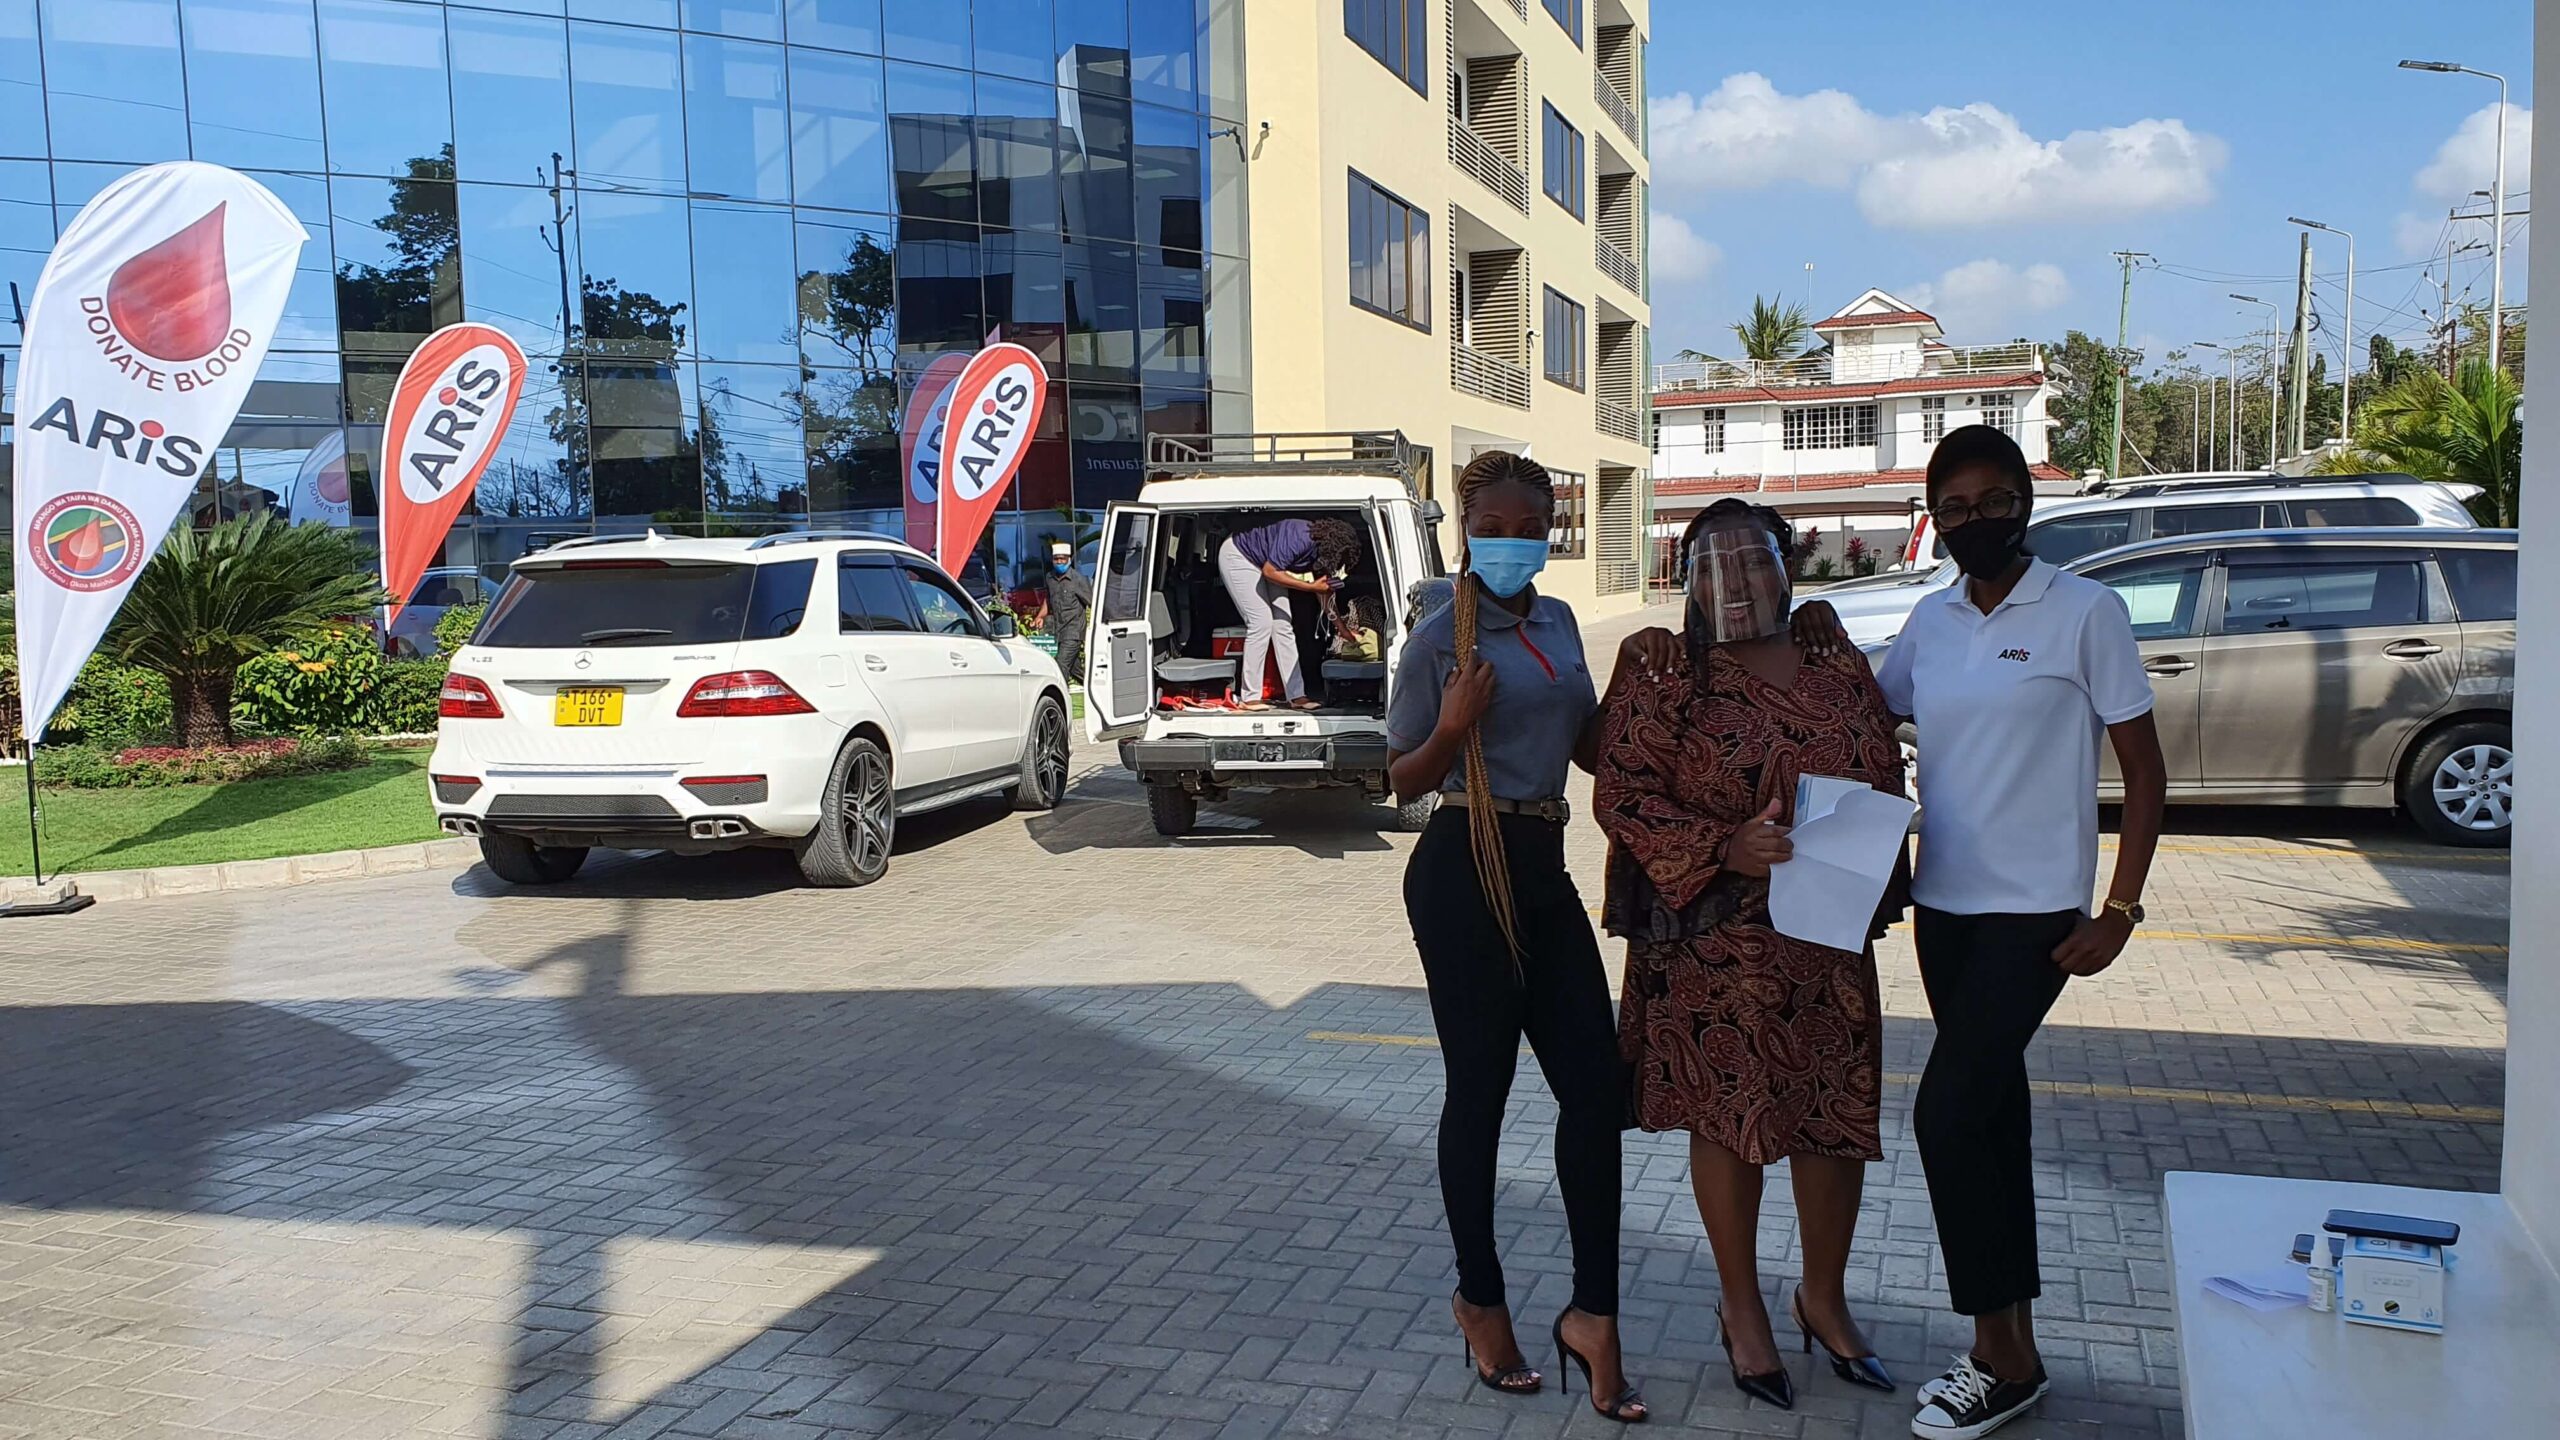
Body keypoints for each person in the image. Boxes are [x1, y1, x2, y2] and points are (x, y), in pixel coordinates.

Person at [1877, 425, 2166, 1440]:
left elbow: (2144, 772)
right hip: (1945, 911)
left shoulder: (2085, 611)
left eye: (1992, 502)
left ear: (2025, 503)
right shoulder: (1933, 618)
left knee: (1945, 1118)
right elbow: (1867, 714)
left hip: (2035, 918)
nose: (1974, 522)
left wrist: (2119, 910)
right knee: (1994, 1121)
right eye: (1952, 509)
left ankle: (1994, 1358)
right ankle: (2019, 1351)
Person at [1596, 499, 1906, 1413]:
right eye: (1713, 564)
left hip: (1824, 933)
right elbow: (1621, 788)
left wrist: (1848, 829)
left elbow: (1883, 762)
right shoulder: (1666, 669)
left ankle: (1823, 1298)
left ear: (1787, 566)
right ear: (1688, 579)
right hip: (1713, 944)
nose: (1738, 580)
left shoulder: (1832, 655)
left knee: (1831, 1114)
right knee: (1728, 1118)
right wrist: (1725, 846)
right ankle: (1742, 1309)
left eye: (1757, 559)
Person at [1386, 450, 1650, 1424]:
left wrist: (1634, 683)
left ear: (1550, 532)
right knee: (1482, 1094)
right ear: (1465, 530)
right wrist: (1454, 725)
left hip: (1542, 862)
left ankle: (1593, 1316)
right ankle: (1480, 1300)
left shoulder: (1559, 622)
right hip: (1462, 867)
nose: (1510, 541)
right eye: (1491, 527)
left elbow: (1586, 749)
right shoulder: (1435, 642)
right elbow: (1401, 780)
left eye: (1528, 527)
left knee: (1596, 1093)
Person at [1218, 517, 1362, 710]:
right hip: (1239, 555)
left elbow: (1324, 594)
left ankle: (1297, 696)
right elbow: (1270, 572)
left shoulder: (1324, 554)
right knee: (1261, 622)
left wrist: (1343, 630)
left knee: (1283, 625)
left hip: (1268, 563)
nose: (1337, 567)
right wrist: (1311, 587)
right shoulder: (1299, 537)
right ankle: (1249, 697)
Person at [1042, 541, 1092, 684]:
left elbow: (1092, 602)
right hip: (1060, 631)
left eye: (1062, 559)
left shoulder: (1078, 580)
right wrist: (1040, 616)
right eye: (1056, 559)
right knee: (1075, 670)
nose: (1059, 562)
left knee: (1061, 665)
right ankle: (1097, 689)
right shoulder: (1050, 578)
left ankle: (1060, 694)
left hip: (1074, 631)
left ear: (1069, 559)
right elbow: (1048, 599)